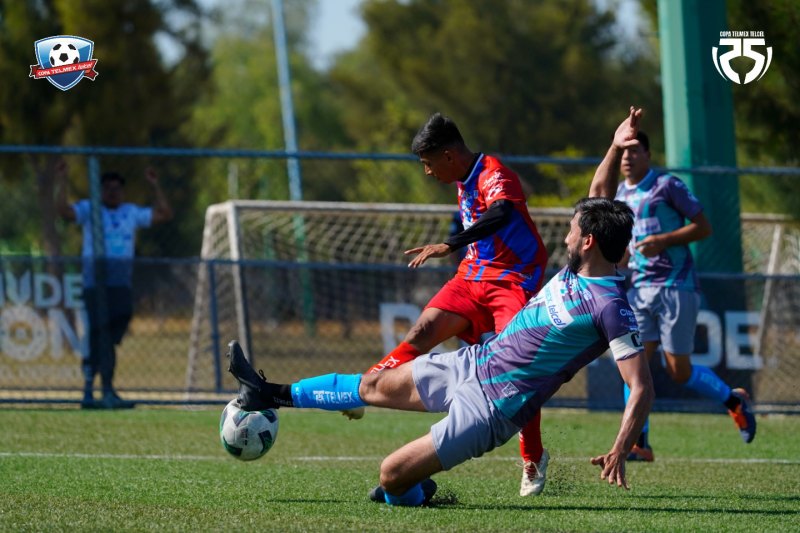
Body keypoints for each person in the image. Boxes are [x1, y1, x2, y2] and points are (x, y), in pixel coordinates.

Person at [227, 193, 653, 507]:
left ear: (588, 241)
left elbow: (641, 387)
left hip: (492, 409)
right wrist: (616, 146)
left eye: (573, 229)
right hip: (472, 363)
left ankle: (412, 492)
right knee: (371, 384)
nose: (566, 235)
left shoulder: (610, 307)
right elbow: (600, 191)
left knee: (390, 476)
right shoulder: (578, 269)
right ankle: (269, 393)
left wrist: (621, 448)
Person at [344, 112, 551, 497]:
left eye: (428, 163)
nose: (427, 172)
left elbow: (502, 212)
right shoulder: (461, 177)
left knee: (518, 366)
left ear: (449, 156)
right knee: (422, 331)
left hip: (513, 279)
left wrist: (449, 244)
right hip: (472, 276)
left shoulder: (494, 173)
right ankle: (362, 390)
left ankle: (533, 457)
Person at [589, 108, 757, 461]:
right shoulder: (621, 196)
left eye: (635, 151)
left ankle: (733, 400)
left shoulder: (667, 186)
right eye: (624, 152)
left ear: (648, 155)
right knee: (633, 366)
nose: (628, 158)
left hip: (675, 287)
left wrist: (663, 241)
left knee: (678, 370)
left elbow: (703, 227)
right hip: (639, 290)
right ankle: (640, 444)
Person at [55, 163, 173, 409]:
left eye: (117, 188)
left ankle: (107, 390)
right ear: (100, 191)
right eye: (108, 188)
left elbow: (164, 214)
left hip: (120, 283)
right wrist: (62, 180)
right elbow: (64, 211)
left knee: (110, 335)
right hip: (95, 282)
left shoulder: (130, 212)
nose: (112, 193)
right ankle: (91, 391)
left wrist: (154, 185)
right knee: (98, 334)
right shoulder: (90, 209)